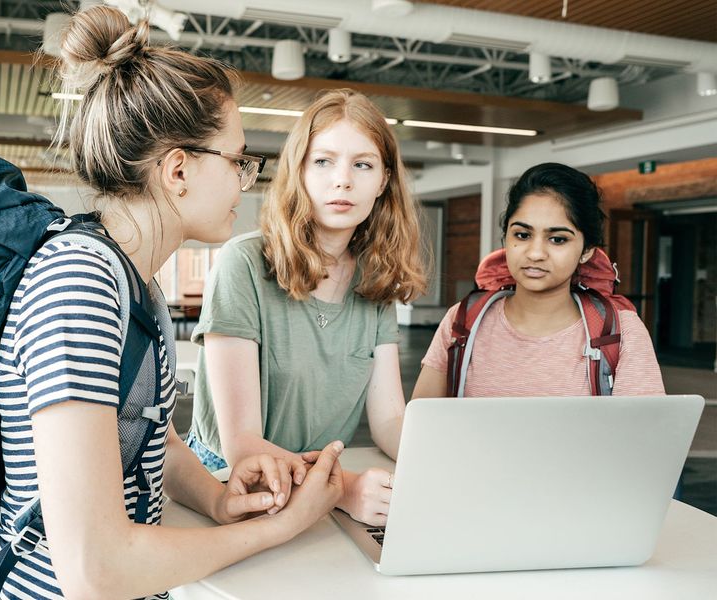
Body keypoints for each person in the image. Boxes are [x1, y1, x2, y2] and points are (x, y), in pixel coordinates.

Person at [0, 7, 345, 600]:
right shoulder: (81, 283)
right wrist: (282, 526)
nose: (246, 180)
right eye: (238, 161)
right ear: (178, 169)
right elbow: (94, 569)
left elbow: (148, 434)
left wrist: (217, 496)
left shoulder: (132, 278)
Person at [187, 89, 428, 527]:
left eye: (363, 164)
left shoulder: (375, 282)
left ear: (383, 180)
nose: (343, 180)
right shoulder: (242, 264)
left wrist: (442, 464)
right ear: (298, 170)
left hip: (317, 490)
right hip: (226, 486)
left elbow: (390, 418)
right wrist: (348, 488)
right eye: (323, 161)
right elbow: (243, 444)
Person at [412, 162, 665, 399]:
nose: (535, 253)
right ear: (505, 239)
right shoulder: (463, 320)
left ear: (587, 250)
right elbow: (421, 427)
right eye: (522, 235)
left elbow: (643, 437)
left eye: (558, 239)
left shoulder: (621, 332)